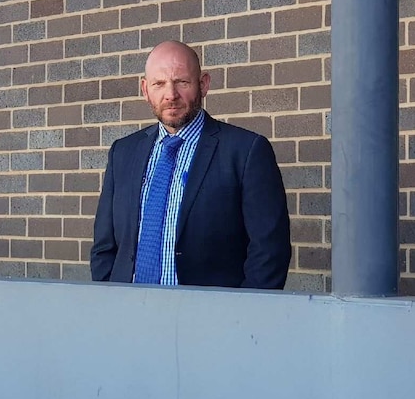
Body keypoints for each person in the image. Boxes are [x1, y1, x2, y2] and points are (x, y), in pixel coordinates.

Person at [90, 40, 291, 289]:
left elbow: (270, 251)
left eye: (182, 82)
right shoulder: (123, 152)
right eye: (159, 83)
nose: (170, 95)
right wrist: (108, 299)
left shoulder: (246, 151)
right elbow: (104, 246)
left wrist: (242, 317)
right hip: (129, 315)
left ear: (203, 84)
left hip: (210, 319)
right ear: (145, 89)